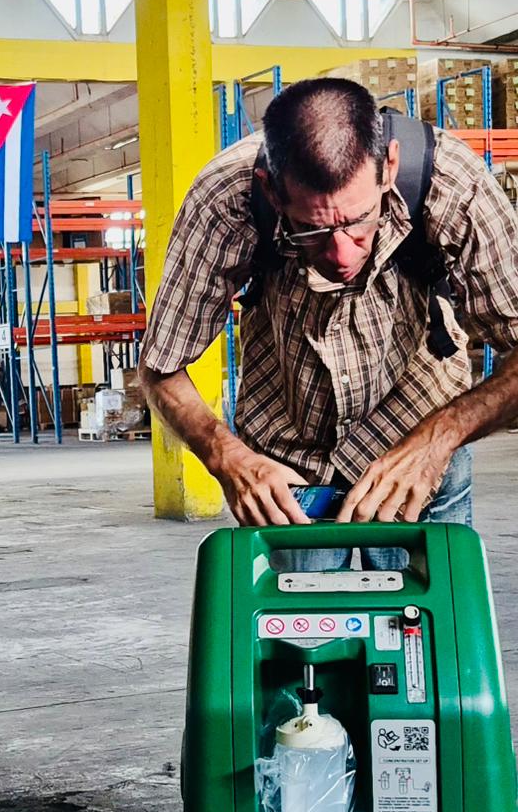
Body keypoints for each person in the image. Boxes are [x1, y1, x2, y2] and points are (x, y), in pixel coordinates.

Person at [138, 77, 518, 538]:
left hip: (420, 434)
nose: (342, 255)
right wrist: (227, 457)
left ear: (390, 166)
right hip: (288, 462)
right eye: (312, 229)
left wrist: (440, 438)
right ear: (272, 191)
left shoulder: (453, 184)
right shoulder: (226, 200)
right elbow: (160, 367)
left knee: (434, 608)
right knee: (299, 611)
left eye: (359, 222)